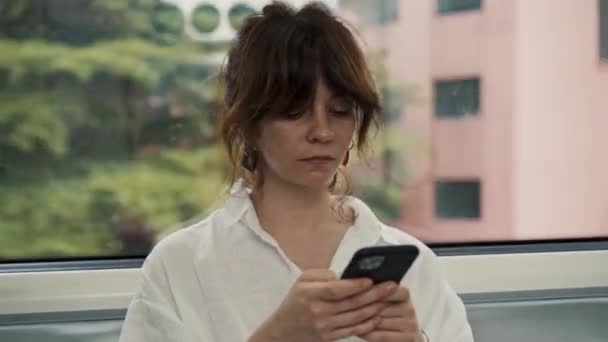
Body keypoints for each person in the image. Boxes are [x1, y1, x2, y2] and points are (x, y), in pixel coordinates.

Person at [118, 2, 474, 341]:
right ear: (248, 124)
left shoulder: (413, 263)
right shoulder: (181, 265)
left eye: (339, 111)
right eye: (294, 112)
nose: (322, 131)